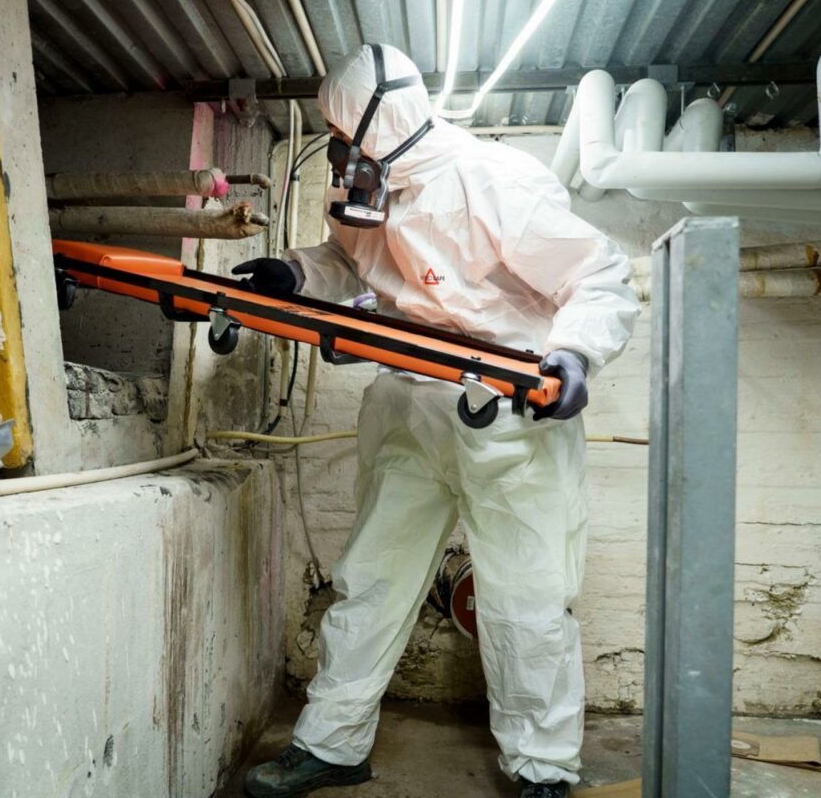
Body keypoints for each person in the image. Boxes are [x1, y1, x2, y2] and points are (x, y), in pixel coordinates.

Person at [237, 44, 639, 798]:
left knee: (525, 601)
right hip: (408, 406)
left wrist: (576, 354)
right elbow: (346, 260)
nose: (339, 149)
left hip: (511, 416)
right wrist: (296, 272)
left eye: (346, 132)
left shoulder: (494, 181)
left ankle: (542, 768)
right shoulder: (368, 187)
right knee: (371, 582)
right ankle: (331, 744)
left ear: (383, 124)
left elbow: (598, 275)